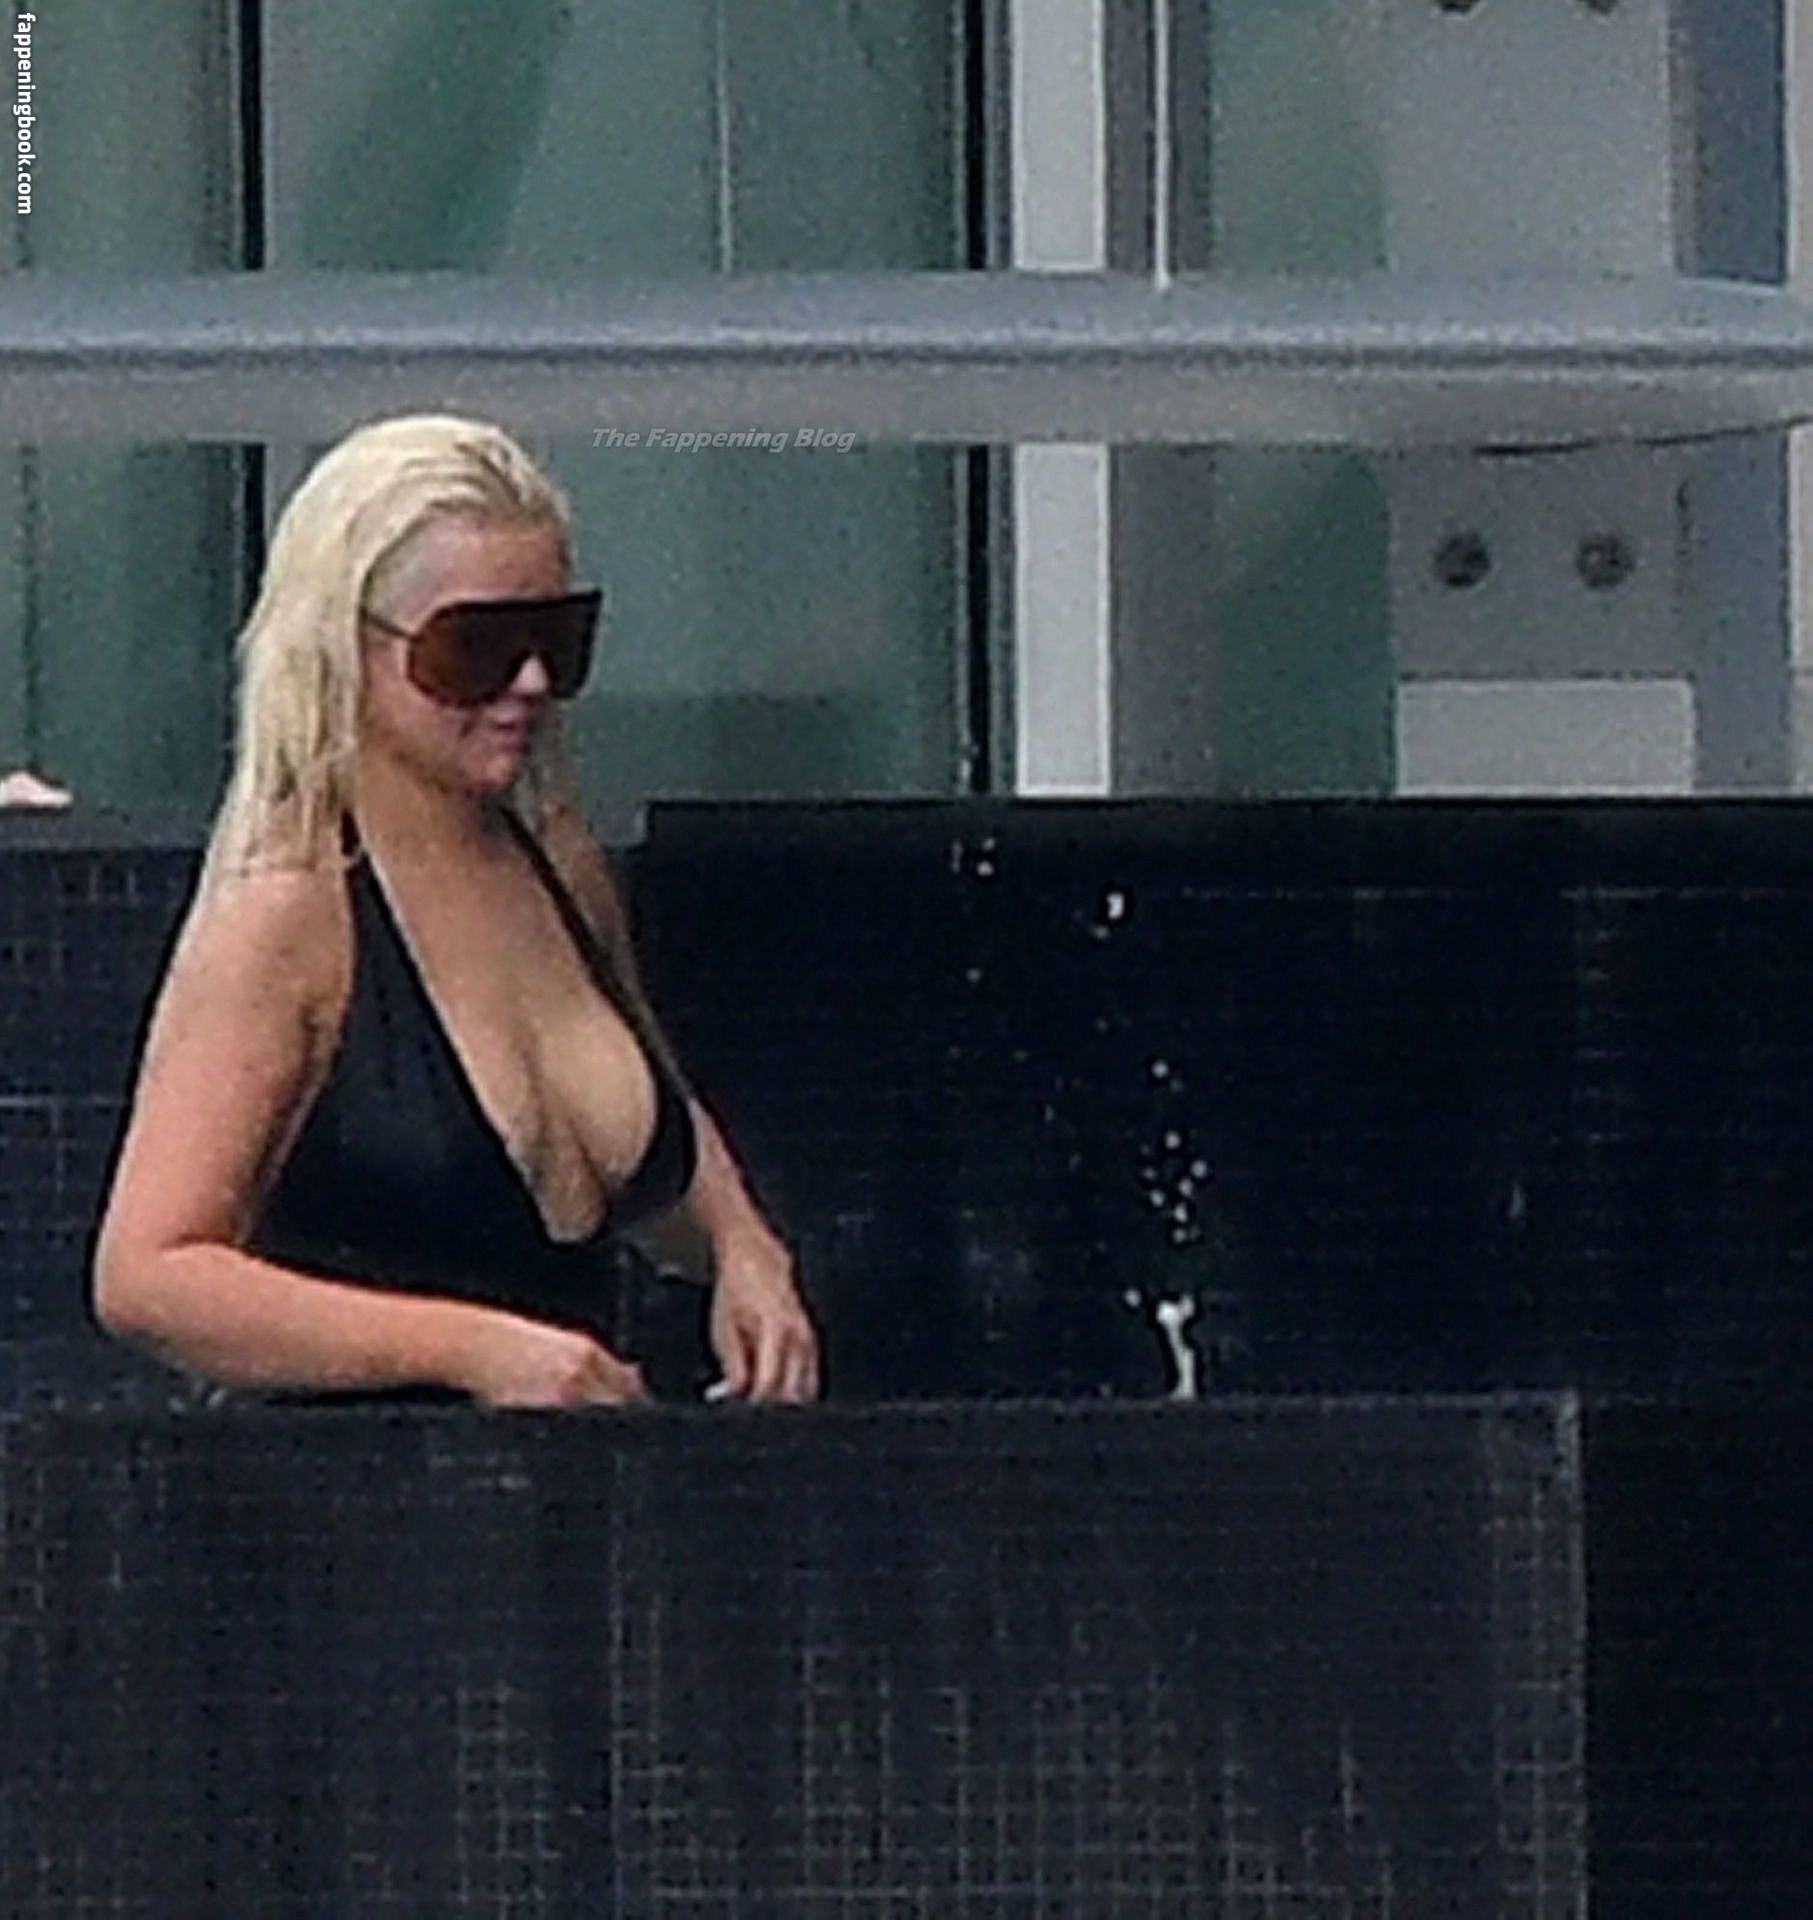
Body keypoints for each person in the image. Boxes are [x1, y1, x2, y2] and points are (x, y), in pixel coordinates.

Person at [91, 413, 819, 1408]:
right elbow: (147, 1275)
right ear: (349, 647)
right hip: (345, 1487)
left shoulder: (552, 860)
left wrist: (742, 1245)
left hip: (569, 1481)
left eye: (557, 639)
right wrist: (472, 1350)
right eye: (473, 648)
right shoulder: (288, 913)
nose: (529, 682)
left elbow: (650, 1115)